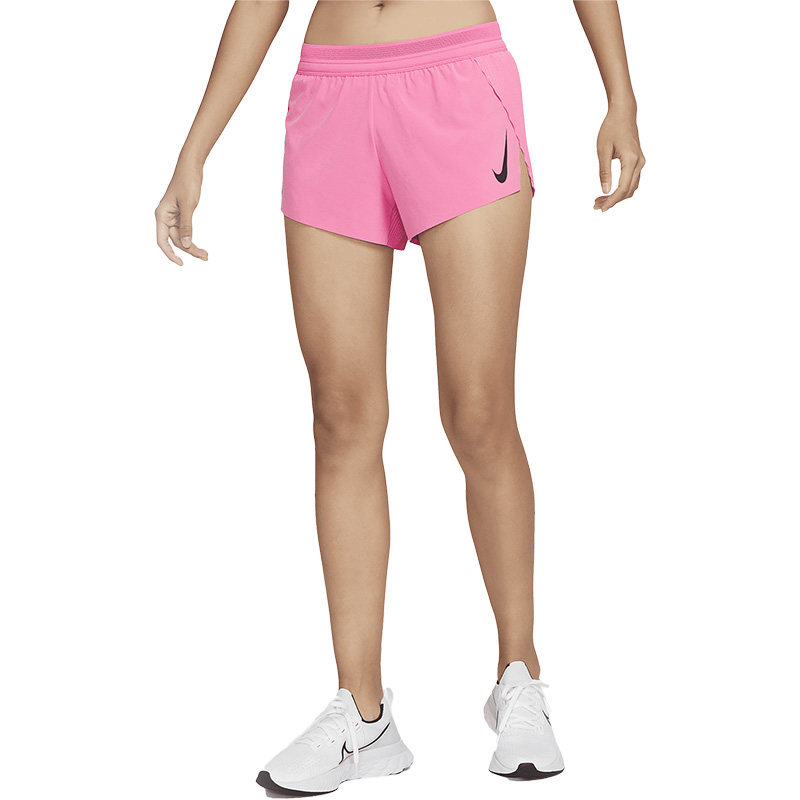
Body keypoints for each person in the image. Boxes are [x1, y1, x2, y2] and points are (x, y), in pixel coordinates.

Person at [155, 1, 644, 794]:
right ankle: (362, 714)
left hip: (458, 83)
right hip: (331, 95)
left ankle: (518, 677)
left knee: (478, 410)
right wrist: (194, 150)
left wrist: (620, 93)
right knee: (340, 417)